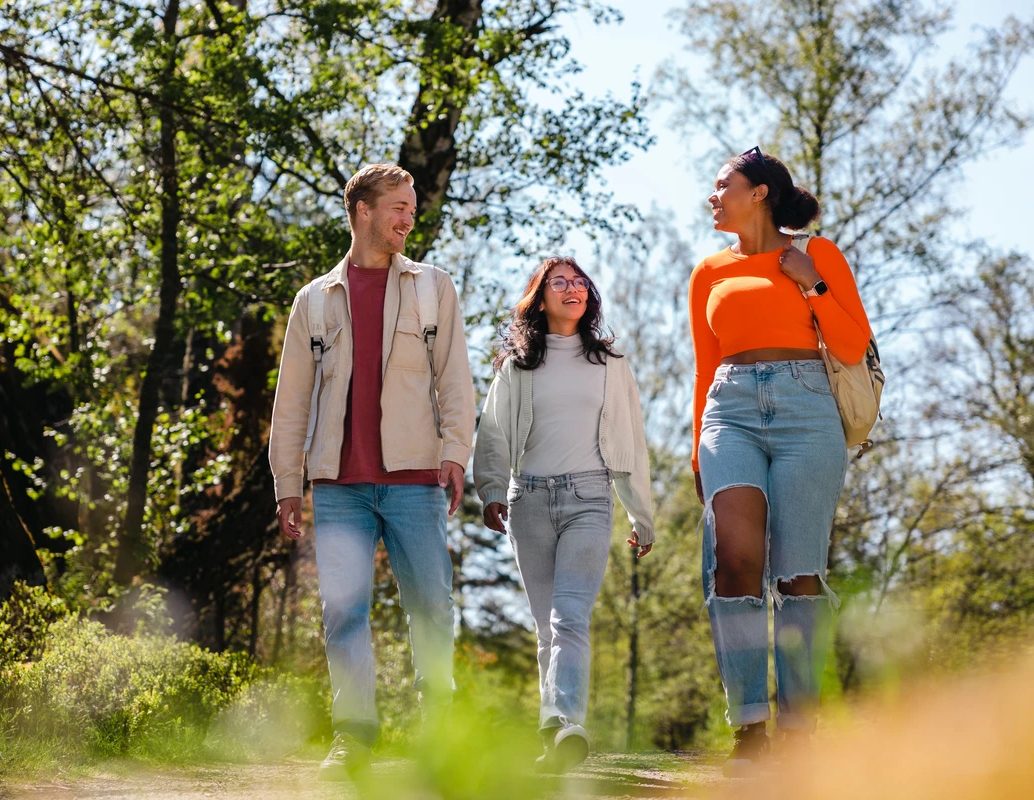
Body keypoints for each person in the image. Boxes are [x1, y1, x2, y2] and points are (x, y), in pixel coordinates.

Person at [268, 163, 475, 782]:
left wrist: (456, 452)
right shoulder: (314, 299)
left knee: (431, 606)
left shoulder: (433, 287)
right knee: (344, 612)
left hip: (415, 480)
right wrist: (287, 483)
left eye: (412, 207)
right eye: (398, 207)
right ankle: (353, 734)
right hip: (339, 486)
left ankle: (440, 730)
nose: (409, 218)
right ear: (363, 210)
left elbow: (454, 379)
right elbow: (291, 401)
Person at [690, 147, 871, 775]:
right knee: (734, 561)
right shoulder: (708, 272)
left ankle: (798, 729)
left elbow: (852, 344)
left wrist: (810, 282)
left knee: (798, 574)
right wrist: (697, 449)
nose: (713, 196)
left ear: (760, 193)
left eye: (723, 185)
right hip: (729, 413)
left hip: (807, 412)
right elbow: (704, 367)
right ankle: (748, 727)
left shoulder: (817, 254)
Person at [473, 256, 655, 773]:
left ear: (588, 296)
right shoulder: (517, 366)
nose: (572, 289)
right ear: (541, 298)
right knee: (546, 628)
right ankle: (555, 736)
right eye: (560, 282)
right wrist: (491, 489)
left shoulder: (610, 363)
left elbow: (630, 441)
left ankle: (565, 720)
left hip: (589, 499)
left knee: (569, 617)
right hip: (528, 501)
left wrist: (641, 514)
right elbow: (493, 432)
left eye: (579, 282)